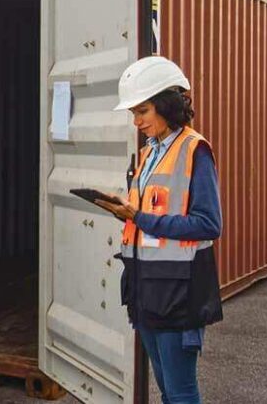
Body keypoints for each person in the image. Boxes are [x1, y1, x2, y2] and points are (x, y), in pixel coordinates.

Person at [95, 56, 223, 404]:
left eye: (143, 111)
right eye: (133, 113)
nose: (136, 122)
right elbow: (150, 215)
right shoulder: (149, 153)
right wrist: (125, 213)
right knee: (167, 391)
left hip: (179, 291)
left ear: (167, 105)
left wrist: (138, 217)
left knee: (180, 393)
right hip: (146, 286)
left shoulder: (195, 150)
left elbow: (209, 224)